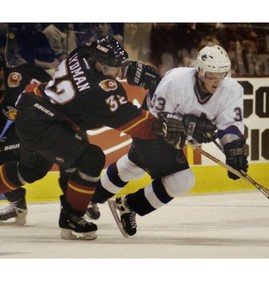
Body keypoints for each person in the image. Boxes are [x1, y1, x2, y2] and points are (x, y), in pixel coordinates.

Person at [0, 35, 187, 240]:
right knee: (91, 159)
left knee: (31, 170)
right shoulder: (101, 91)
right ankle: (72, 217)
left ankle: (71, 214)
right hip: (44, 122)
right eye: (115, 67)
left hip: (31, 107)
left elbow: (99, 51)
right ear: (102, 65)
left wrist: (127, 68)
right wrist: (164, 127)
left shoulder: (81, 52)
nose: (118, 72)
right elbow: (134, 123)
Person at [87, 45, 249, 237]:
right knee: (182, 180)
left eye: (221, 76)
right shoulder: (175, 81)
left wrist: (233, 150)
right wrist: (188, 125)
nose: (216, 82)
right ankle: (129, 205)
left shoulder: (232, 90)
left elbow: (230, 124)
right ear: (200, 71)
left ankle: (89, 198)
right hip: (151, 131)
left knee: (133, 165)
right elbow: (155, 118)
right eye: (211, 76)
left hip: (173, 138)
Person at [0, 53, 64, 224]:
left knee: (73, 157)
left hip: (47, 131)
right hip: (20, 139)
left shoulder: (21, 75)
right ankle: (17, 203)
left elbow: (53, 85)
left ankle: (84, 202)